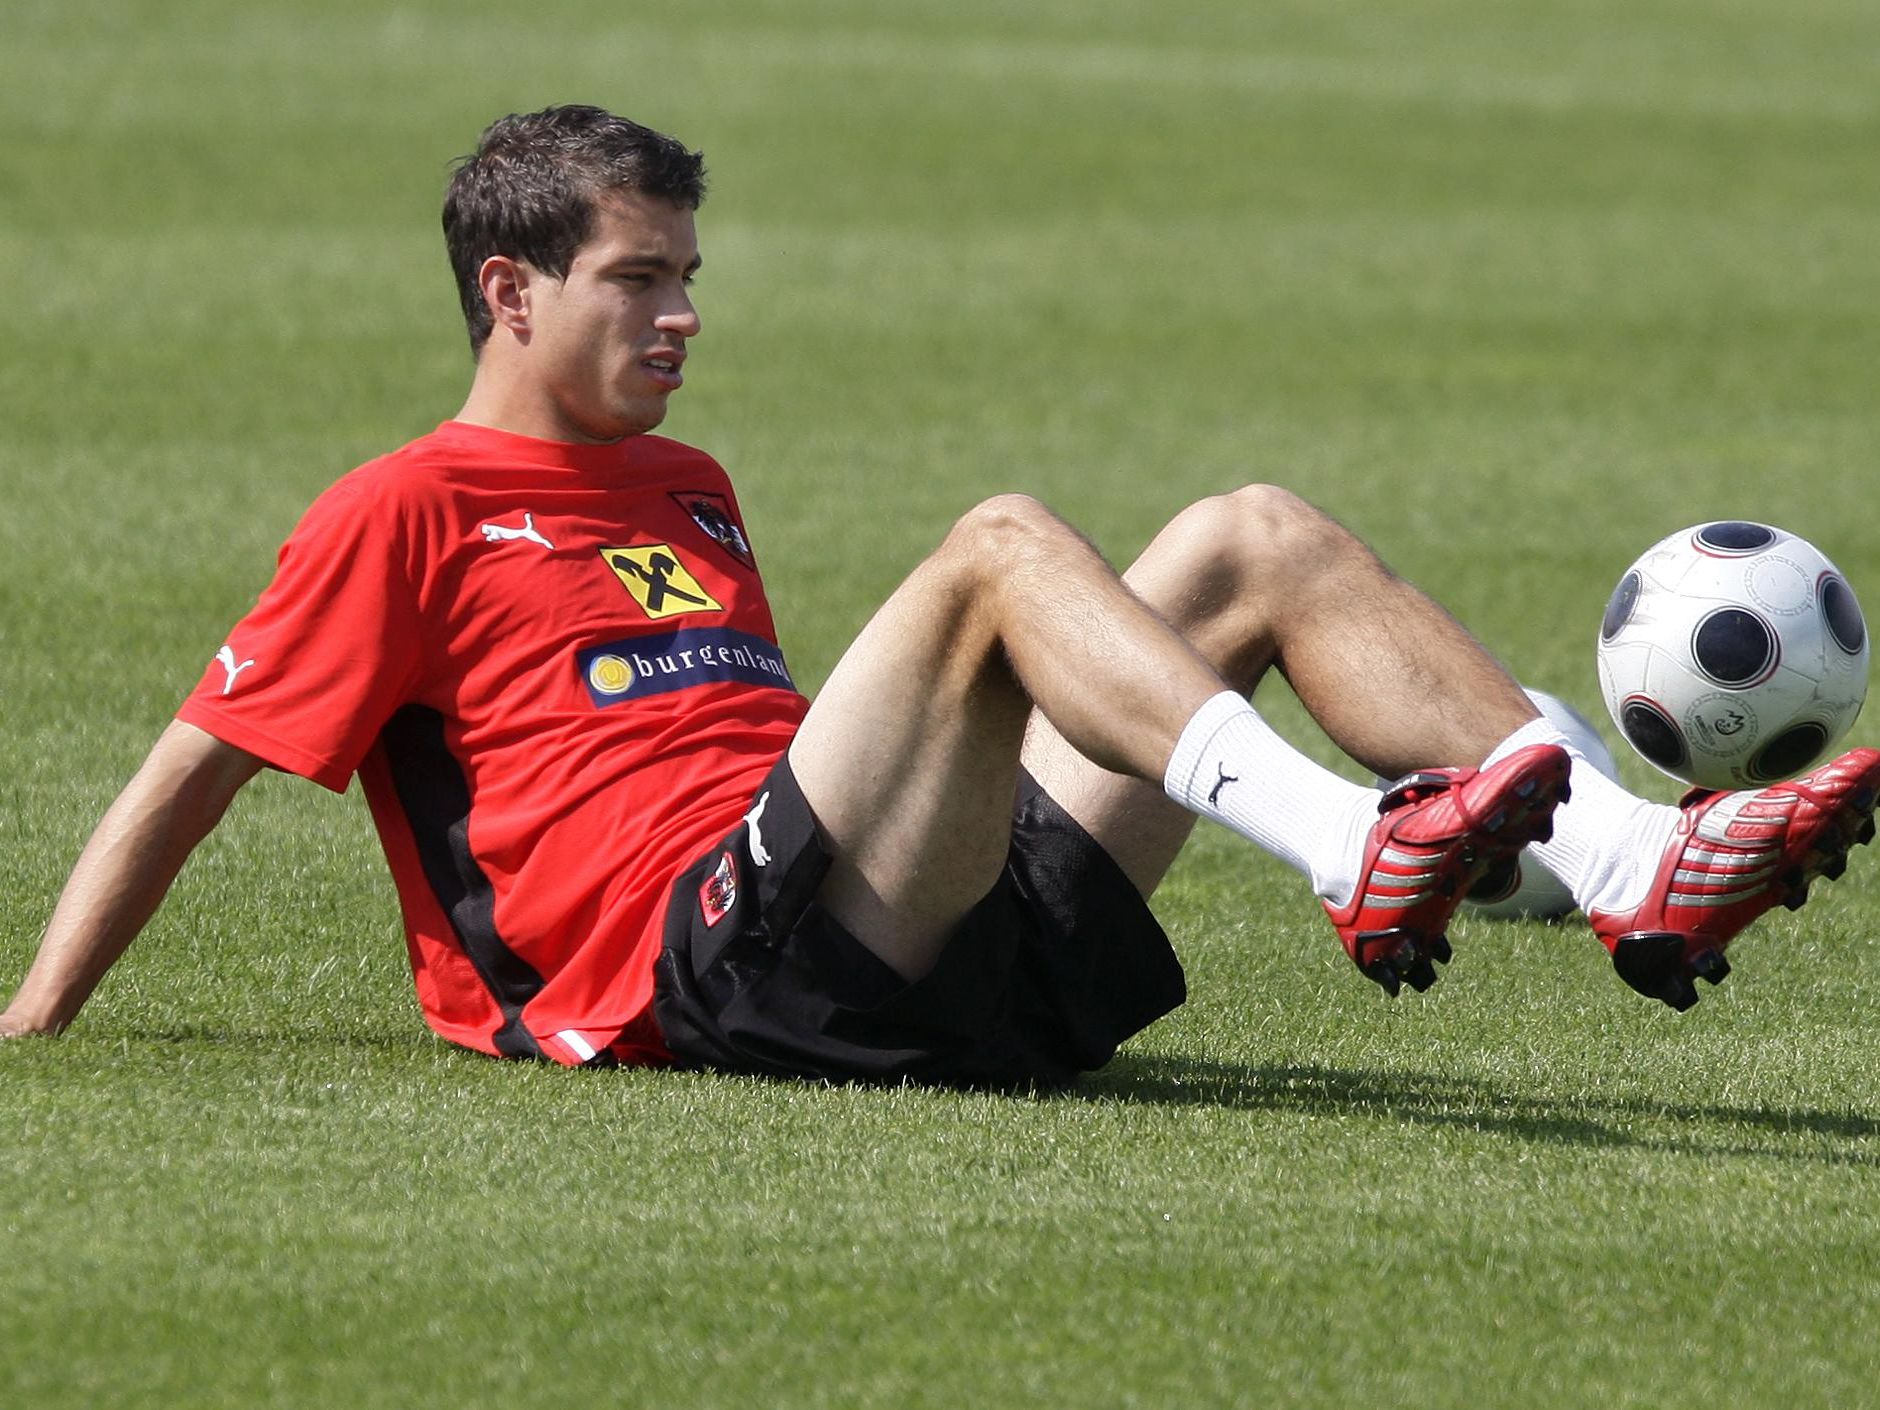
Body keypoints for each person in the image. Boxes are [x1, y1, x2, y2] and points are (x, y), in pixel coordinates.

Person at [3, 106, 1875, 1085]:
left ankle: (1640, 871)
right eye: (636, 281)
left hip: (913, 942)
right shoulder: (404, 507)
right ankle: (1345, 849)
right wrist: (36, 1015)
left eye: (687, 274)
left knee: (1256, 532)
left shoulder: (685, 486)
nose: (682, 313)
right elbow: (195, 766)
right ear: (511, 294)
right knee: (992, 547)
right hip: (711, 971)